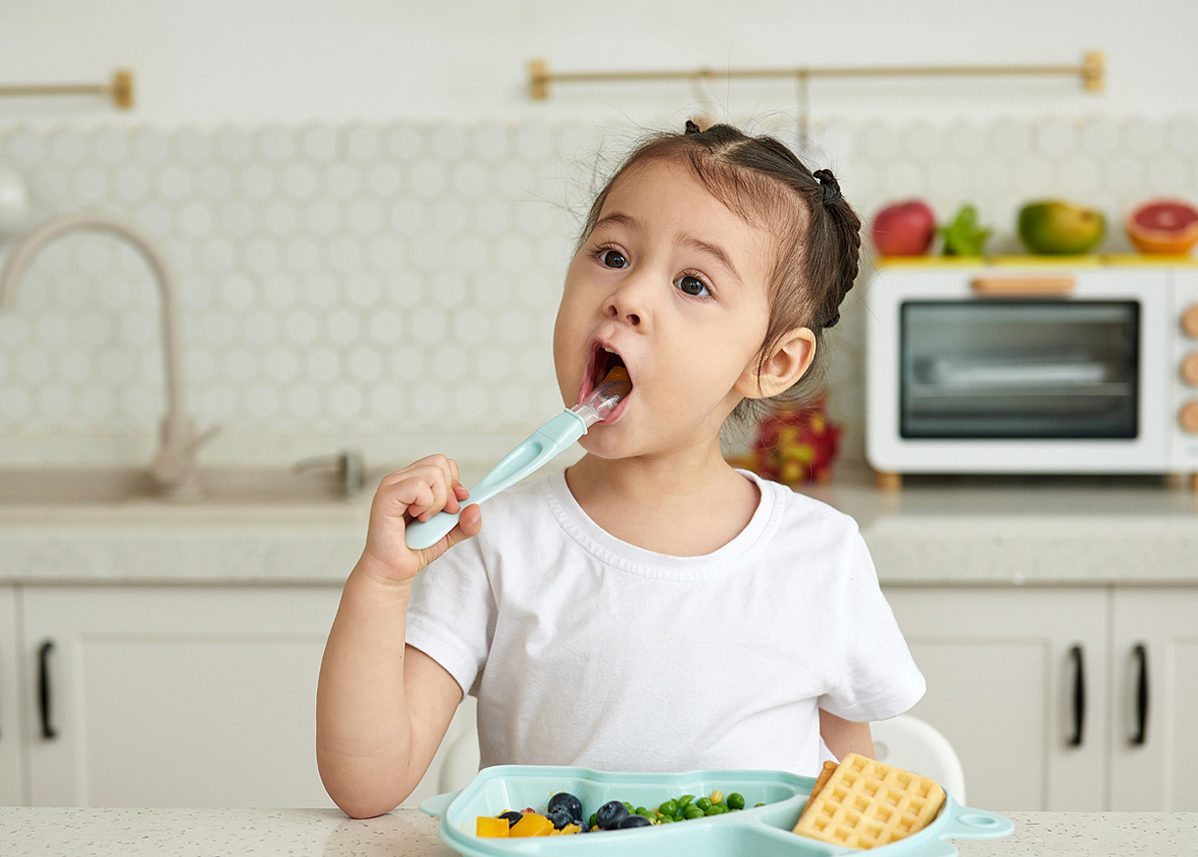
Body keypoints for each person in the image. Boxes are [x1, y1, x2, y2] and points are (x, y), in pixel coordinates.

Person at [317, 121, 925, 819]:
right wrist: (381, 582)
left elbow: (855, 805)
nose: (628, 296)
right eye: (612, 255)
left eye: (692, 283)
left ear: (772, 362)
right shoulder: (493, 538)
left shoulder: (818, 555)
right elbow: (366, 786)